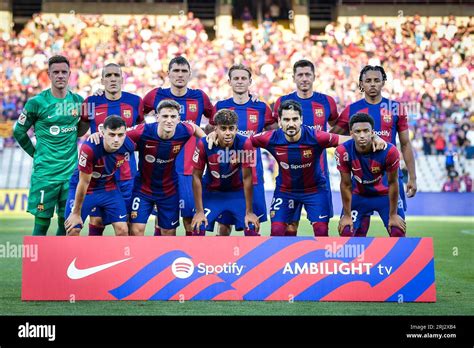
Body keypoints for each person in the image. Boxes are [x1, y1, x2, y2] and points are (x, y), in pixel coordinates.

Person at [250, 100, 386, 236]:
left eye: (295, 119)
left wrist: (373, 136)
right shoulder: (270, 138)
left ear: (301, 119)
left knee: (321, 231)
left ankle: (320, 258)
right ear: (280, 121)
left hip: (314, 191)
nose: (291, 124)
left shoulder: (315, 136)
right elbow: (244, 141)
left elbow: (348, 139)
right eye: (286, 119)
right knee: (277, 230)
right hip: (285, 191)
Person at [332, 65, 417, 236]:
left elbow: (406, 144)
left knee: (398, 230)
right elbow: (332, 138)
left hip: (388, 178)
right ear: (361, 84)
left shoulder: (396, 108)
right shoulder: (352, 109)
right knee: (355, 232)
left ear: (383, 82)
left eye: (377, 80)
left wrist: (412, 178)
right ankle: (357, 263)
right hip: (359, 179)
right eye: (368, 81)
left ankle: (397, 263)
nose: (372, 84)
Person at [13, 55, 87, 236]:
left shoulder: (78, 101)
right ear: (49, 75)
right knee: (42, 223)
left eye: (64, 72)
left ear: (70, 74)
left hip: (70, 174)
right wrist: (35, 153)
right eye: (56, 72)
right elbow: (18, 131)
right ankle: (36, 264)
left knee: (66, 222)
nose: (60, 75)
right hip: (45, 174)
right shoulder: (36, 103)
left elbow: (82, 127)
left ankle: (59, 263)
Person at [67, 63, 144, 236]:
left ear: (122, 79)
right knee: (97, 220)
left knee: (128, 224)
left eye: (116, 75)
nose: (112, 79)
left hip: (126, 173)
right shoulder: (91, 102)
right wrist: (88, 135)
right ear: (102, 80)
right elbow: (82, 131)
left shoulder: (135, 101)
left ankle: (129, 260)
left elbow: (141, 133)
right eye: (108, 75)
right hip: (98, 174)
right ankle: (97, 260)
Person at [143, 56, 213, 236]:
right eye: (176, 71)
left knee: (192, 221)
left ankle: (196, 260)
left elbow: (214, 121)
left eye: (183, 71)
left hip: (190, 170)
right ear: (168, 74)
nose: (179, 75)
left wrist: (209, 137)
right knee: (164, 223)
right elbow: (136, 116)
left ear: (189, 74)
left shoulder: (199, 97)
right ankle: (162, 262)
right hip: (162, 171)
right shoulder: (155, 95)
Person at [273, 59, 339, 236]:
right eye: (300, 75)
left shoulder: (326, 102)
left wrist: (323, 142)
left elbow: (336, 126)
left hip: (318, 177)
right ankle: (286, 262)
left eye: (307, 74)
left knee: (321, 227)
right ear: (293, 77)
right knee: (288, 226)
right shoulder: (283, 102)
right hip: (290, 179)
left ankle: (319, 263)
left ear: (314, 77)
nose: (304, 78)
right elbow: (273, 132)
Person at [211, 64, 277, 236]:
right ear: (229, 82)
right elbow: (209, 134)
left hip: (253, 172)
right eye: (236, 78)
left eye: (243, 78)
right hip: (226, 174)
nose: (240, 82)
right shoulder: (220, 106)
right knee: (224, 225)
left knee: (252, 223)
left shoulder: (261, 107)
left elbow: (275, 134)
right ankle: (221, 262)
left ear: (250, 82)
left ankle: (252, 262)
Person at [126, 100, 205, 236]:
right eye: (165, 116)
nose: (169, 120)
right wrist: (99, 135)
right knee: (136, 230)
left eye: (173, 117)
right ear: (157, 117)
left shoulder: (184, 130)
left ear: (179, 119)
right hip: (143, 189)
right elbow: (120, 135)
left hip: (168, 190)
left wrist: (207, 139)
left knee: (169, 231)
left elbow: (195, 127)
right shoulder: (143, 130)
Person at [335, 113, 406, 237]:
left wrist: (393, 214)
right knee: (346, 231)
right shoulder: (343, 151)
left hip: (384, 195)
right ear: (351, 133)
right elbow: (345, 185)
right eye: (357, 131)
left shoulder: (389, 151)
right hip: (359, 195)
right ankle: (357, 257)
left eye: (366, 131)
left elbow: (393, 183)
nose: (362, 135)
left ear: (372, 132)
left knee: (397, 231)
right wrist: (346, 215)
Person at [192, 109, 260, 236]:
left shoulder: (245, 143)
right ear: (215, 129)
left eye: (231, 128)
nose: (228, 133)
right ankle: (200, 256)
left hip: (236, 193)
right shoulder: (204, 144)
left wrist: (249, 212)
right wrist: (199, 211)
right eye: (223, 128)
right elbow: (196, 176)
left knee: (251, 227)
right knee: (197, 227)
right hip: (212, 193)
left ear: (236, 129)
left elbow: (247, 178)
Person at [64, 116, 136, 236]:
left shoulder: (128, 144)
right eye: (112, 134)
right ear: (102, 132)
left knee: (122, 229)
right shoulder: (90, 148)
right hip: (85, 189)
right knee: (73, 229)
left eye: (120, 134)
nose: (117, 139)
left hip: (109, 188)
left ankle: (125, 255)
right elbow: (84, 182)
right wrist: (76, 212)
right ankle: (72, 255)